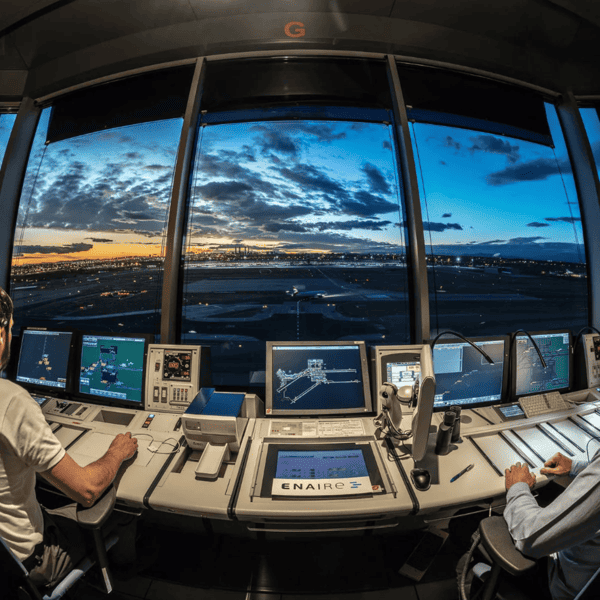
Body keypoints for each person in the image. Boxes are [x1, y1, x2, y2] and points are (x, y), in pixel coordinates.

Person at [0, 286, 139, 590]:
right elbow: (86, 490)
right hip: (28, 562)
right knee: (124, 513)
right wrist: (117, 452)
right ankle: (128, 575)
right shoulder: (10, 401)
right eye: (10, 328)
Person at [504, 450, 600, 600]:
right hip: (587, 573)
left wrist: (518, 487)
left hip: (560, 586)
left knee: (464, 527)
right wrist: (577, 467)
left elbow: (530, 537)